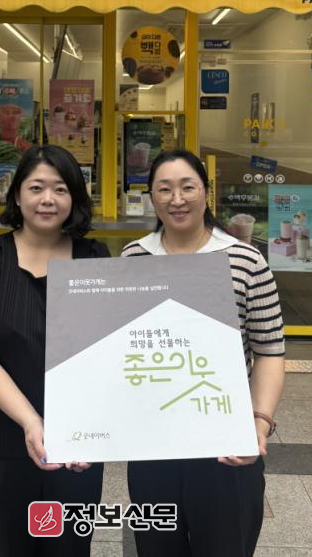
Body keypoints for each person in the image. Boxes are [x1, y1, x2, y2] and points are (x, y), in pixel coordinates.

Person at [122, 148, 285, 557]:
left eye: (187, 187)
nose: (177, 199)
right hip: (153, 445)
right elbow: (121, 351)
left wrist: (259, 423)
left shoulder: (246, 260)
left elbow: (269, 351)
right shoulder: (133, 258)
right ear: (152, 197)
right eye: (164, 189)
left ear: (206, 192)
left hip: (226, 447)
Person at [0, 145, 109, 556]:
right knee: (3, 545)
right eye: (36, 187)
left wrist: (93, 428)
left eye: (60, 189)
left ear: (75, 197)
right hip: (0, 437)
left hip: (75, 442)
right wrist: (30, 421)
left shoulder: (94, 257)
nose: (47, 199)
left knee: (68, 549)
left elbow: (104, 353)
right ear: (17, 195)